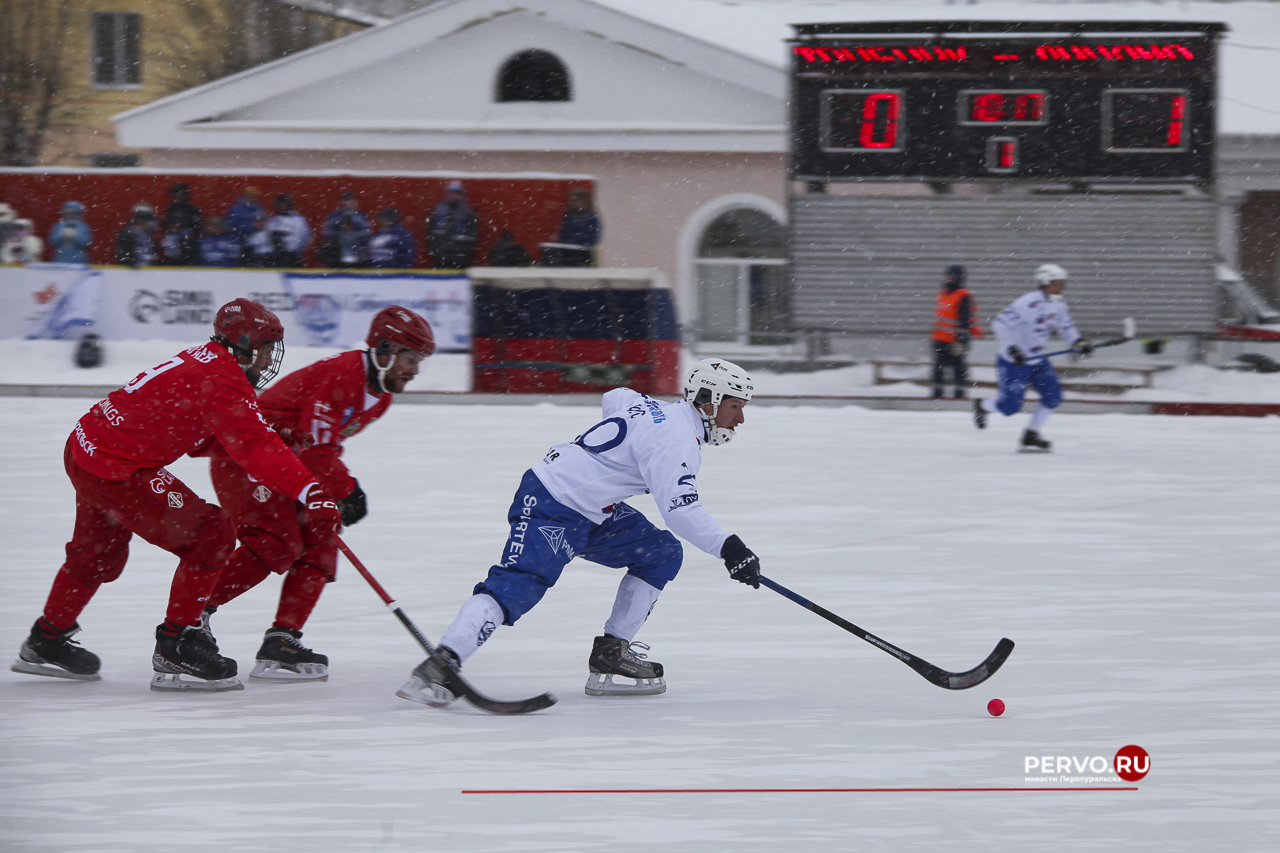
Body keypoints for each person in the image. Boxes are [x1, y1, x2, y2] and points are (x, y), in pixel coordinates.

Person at [10, 299, 342, 691]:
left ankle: (46, 640)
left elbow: (199, 429)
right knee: (212, 534)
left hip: (86, 447)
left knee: (96, 555)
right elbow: (254, 448)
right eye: (267, 346)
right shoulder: (224, 378)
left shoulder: (205, 360)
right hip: (118, 468)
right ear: (245, 342)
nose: (271, 357)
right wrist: (311, 490)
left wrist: (273, 435)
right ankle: (176, 645)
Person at [396, 358, 763, 708]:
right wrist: (730, 548)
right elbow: (680, 511)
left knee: (661, 552)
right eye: (734, 406)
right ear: (707, 402)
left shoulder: (658, 409)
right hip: (553, 503)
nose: (741, 418)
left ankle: (611, 652)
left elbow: (615, 397)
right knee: (518, 584)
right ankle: (440, 666)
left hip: (592, 509)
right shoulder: (677, 443)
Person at [199, 307, 435, 682]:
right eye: (410, 358)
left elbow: (318, 445)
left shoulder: (382, 395)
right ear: (385, 350)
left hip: (285, 463)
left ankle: (282, 640)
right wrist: (346, 489)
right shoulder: (346, 374)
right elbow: (318, 448)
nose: (415, 370)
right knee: (275, 542)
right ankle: (192, 618)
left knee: (321, 539)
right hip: (244, 457)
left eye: (419, 361)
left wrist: (333, 491)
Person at [973, 263, 1091, 452]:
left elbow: (1065, 327)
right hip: (1014, 362)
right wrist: (1013, 348)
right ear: (1044, 283)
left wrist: (1077, 341)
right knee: (1010, 407)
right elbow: (1000, 324)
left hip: (1038, 359)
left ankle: (1031, 434)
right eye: (1056, 284)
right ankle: (983, 406)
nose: (1060, 288)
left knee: (1053, 398)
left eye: (1062, 284)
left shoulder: (1059, 304)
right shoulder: (1027, 302)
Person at [930, 265, 983, 399]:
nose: (949, 278)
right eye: (948, 276)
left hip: (955, 340)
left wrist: (962, 339)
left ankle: (959, 394)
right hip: (939, 338)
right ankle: (937, 394)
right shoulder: (942, 293)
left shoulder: (963, 295)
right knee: (938, 368)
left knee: (958, 368)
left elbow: (966, 319)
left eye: (952, 276)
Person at [427, 180, 478, 269]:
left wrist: (466, 250)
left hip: (461, 255)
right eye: (452, 192)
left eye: (457, 193)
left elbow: (473, 232)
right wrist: (436, 250)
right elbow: (430, 230)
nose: (454, 195)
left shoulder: (468, 211)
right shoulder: (439, 209)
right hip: (441, 253)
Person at [162, 182, 203, 265]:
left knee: (185, 241)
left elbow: (197, 225)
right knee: (168, 242)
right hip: (173, 234)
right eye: (175, 194)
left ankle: (185, 260)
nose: (176, 196)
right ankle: (173, 260)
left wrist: (181, 227)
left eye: (178, 194)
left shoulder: (191, 208)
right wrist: (171, 227)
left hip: (187, 233)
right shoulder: (171, 207)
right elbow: (168, 222)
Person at [556, 187, 601, 263]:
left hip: (585, 251)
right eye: (577, 202)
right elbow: (563, 233)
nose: (579, 204)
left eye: (582, 201)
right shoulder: (569, 216)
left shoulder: (592, 217)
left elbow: (594, 235)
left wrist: (585, 246)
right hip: (568, 251)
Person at [267, 193, 312, 267]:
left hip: (293, 255)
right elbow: (268, 236)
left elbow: (305, 237)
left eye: (285, 204)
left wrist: (294, 249)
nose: (283, 207)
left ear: (290, 205)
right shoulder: (273, 220)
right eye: (280, 204)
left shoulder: (298, 220)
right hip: (276, 256)